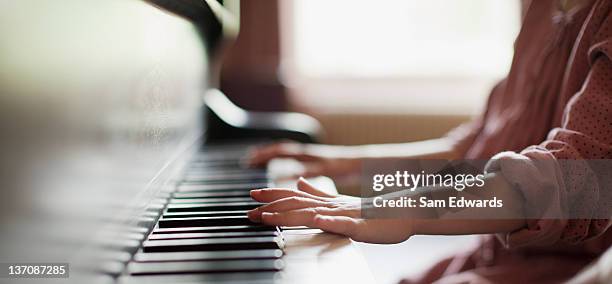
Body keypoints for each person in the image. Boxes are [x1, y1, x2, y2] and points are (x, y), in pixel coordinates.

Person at [246, 0, 612, 283]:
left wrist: (395, 209)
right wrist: (342, 165)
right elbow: (473, 151)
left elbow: (575, 179)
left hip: (570, 272)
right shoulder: (543, 8)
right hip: (493, 257)